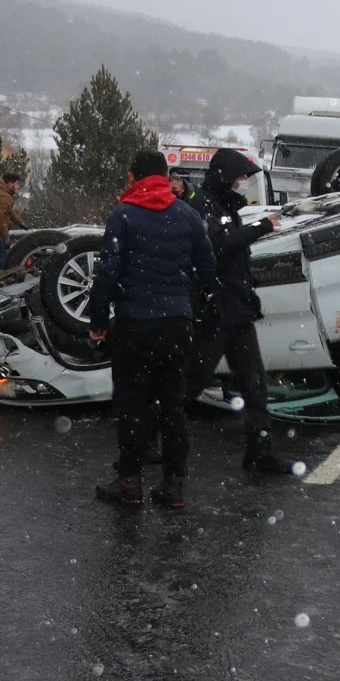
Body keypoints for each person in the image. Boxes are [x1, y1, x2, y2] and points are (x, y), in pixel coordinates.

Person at [88, 151, 216, 508]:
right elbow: (208, 266)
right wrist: (184, 297)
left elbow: (108, 273)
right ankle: (173, 483)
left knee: (132, 403)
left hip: (135, 323)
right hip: (177, 322)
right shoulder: (188, 215)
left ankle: (129, 481)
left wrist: (98, 322)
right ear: (165, 176)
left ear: (132, 177)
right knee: (173, 403)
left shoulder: (123, 216)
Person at [186, 149, 298, 474]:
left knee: (254, 383)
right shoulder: (205, 205)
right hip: (216, 310)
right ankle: (150, 440)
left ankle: (260, 451)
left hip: (237, 309)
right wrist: (260, 228)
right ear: (226, 176)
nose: (244, 183)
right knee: (193, 380)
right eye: (242, 177)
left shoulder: (225, 206)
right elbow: (218, 246)